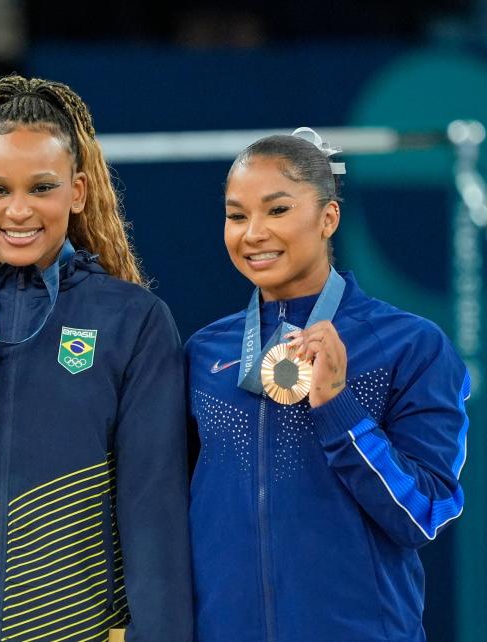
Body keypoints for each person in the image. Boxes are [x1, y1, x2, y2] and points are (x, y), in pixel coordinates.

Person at [0, 74, 192, 642]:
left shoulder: (133, 320)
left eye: (41, 188)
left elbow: (155, 510)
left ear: (78, 191)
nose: (17, 211)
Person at [185, 129, 470, 641]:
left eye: (276, 211)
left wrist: (339, 407)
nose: (252, 233)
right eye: (236, 215)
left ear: (328, 218)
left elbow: (425, 513)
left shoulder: (410, 346)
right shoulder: (204, 354)